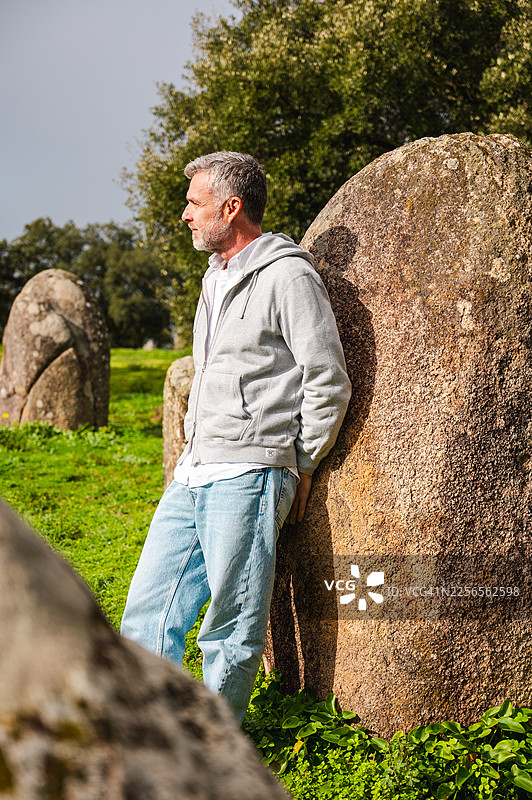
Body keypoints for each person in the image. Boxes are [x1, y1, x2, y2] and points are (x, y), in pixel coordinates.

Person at [121, 151, 351, 722]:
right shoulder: (214, 277)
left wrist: (301, 463)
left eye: (195, 203)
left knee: (230, 626)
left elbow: (327, 378)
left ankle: (213, 753)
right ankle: (155, 738)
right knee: (147, 615)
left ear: (232, 207)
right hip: (195, 472)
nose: (185, 215)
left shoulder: (288, 276)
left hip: (250, 474)